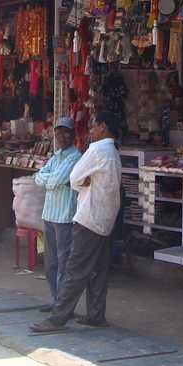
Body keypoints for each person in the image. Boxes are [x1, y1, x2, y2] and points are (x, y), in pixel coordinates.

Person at [31, 111, 122, 332]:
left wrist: (84, 183)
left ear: (103, 126)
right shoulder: (113, 152)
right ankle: (96, 315)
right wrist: (86, 182)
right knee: (98, 270)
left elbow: (72, 179)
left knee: (75, 268)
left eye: (94, 125)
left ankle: (58, 317)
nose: (91, 129)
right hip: (106, 216)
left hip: (89, 216)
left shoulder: (97, 150)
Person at [34, 117, 82, 311]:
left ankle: (63, 305)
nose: (61, 136)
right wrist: (48, 179)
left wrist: (48, 179)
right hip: (49, 215)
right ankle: (56, 300)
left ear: (73, 135)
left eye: (66, 132)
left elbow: (55, 180)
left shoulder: (75, 157)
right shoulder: (56, 156)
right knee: (50, 264)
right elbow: (38, 178)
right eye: (58, 132)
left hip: (64, 217)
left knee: (64, 264)